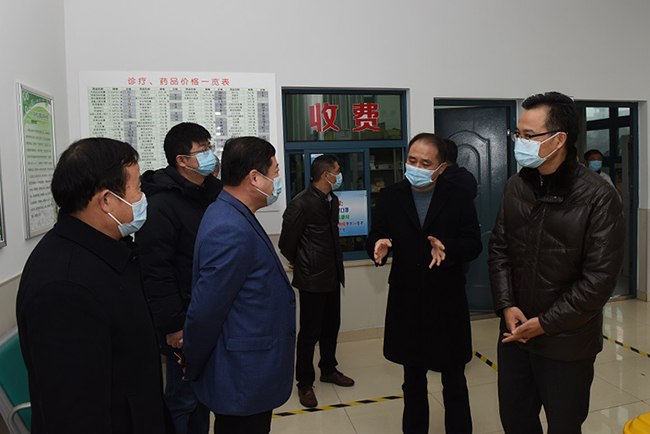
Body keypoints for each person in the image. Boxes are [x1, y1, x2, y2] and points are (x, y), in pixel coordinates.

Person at [489, 91, 625, 434]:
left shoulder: (598, 196)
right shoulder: (516, 186)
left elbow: (599, 280)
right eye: (518, 134)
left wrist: (546, 323)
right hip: (516, 334)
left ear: (559, 139)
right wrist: (507, 305)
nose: (520, 143)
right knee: (516, 421)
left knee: (564, 425)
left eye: (529, 135)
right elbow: (499, 249)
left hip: (568, 341)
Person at [16, 138, 173, 434]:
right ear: (106, 201)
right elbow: (75, 415)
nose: (143, 197)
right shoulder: (64, 287)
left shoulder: (105, 250)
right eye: (138, 188)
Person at [366, 133, 482, 434]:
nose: (416, 167)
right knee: (412, 382)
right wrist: (377, 244)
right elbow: (376, 233)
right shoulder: (390, 196)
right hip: (407, 303)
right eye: (412, 160)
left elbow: (473, 243)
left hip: (446, 303)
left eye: (425, 163)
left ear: (441, 168)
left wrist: (449, 249)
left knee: (454, 381)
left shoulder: (458, 197)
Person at [183, 136, 296, 434]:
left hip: (248, 372)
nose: (277, 181)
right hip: (243, 376)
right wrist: (193, 365)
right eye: (274, 172)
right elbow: (206, 311)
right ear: (254, 178)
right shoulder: (229, 228)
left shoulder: (232, 211)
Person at [138, 122, 222, 434]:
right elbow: (156, 270)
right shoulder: (161, 203)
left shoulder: (212, 192)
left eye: (210, 147)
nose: (210, 155)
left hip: (209, 311)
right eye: (202, 151)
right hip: (183, 320)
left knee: (204, 395)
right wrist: (174, 325)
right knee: (182, 399)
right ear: (182, 160)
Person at [279, 154, 353, 409]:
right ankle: (304, 383)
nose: (340, 175)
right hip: (312, 278)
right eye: (337, 171)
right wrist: (302, 262)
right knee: (310, 332)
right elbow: (286, 243)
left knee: (331, 327)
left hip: (332, 274)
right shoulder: (300, 203)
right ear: (325, 175)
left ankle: (329, 369)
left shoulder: (332, 200)